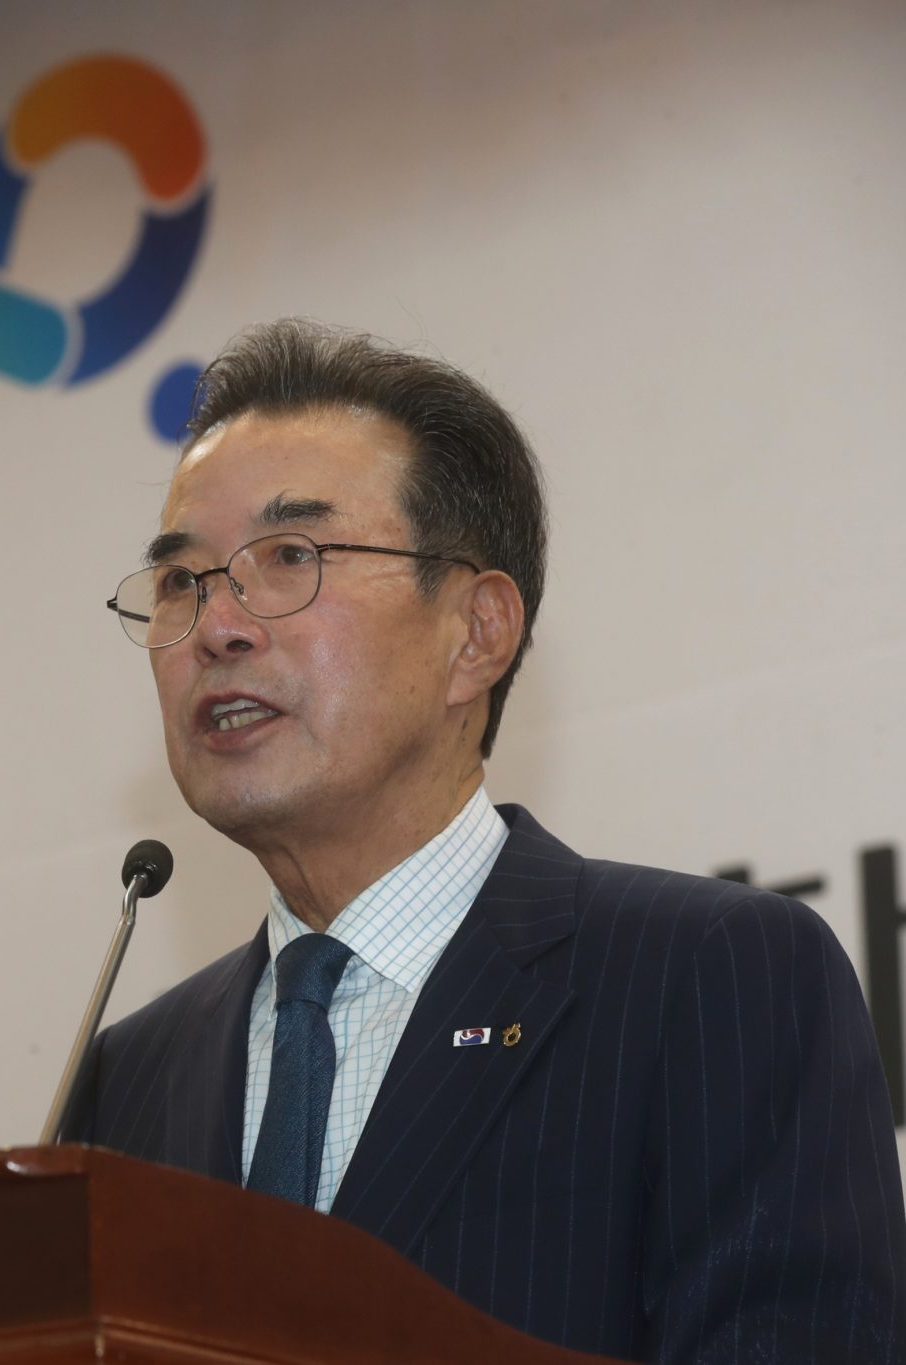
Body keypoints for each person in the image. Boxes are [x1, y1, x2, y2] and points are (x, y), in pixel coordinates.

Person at [66, 319, 904, 1363]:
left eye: (289, 557)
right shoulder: (129, 1075)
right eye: (180, 581)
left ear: (477, 632)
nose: (216, 627)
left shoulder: (713, 979)